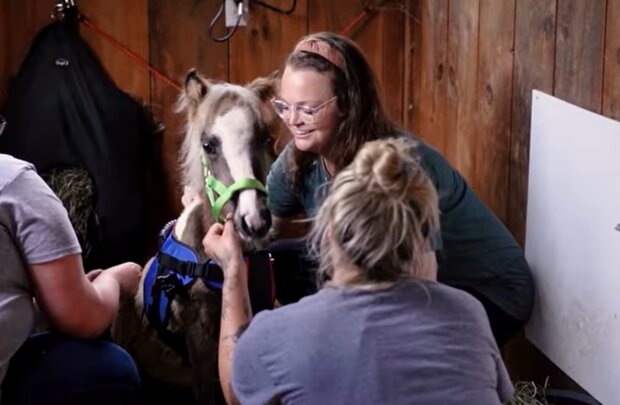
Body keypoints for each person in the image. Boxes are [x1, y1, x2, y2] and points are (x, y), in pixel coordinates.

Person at [266, 31, 534, 347]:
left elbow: (420, 280)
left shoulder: (397, 168)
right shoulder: (302, 153)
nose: (293, 120)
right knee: (276, 261)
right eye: (285, 106)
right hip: (391, 280)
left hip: (483, 293)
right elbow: (261, 220)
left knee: (380, 335)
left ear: (348, 104)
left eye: (308, 109)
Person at [204, 138, 514, 404]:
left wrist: (233, 270)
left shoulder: (273, 336)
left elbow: (235, 393)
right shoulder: (468, 315)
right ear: (420, 240)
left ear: (328, 237)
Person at [0, 146, 142, 404]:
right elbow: (84, 318)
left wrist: (50, 300)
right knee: (112, 368)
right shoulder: (14, 183)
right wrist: (114, 281)